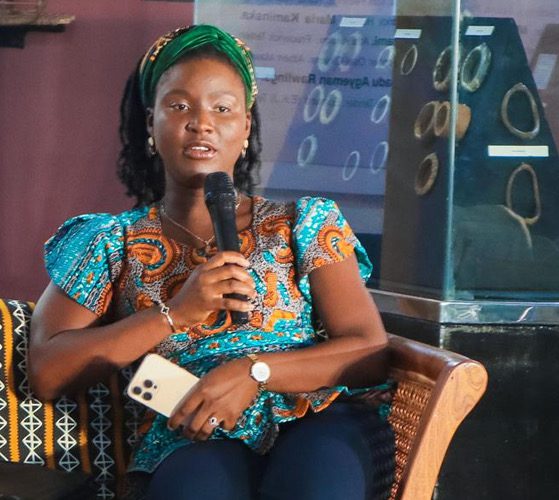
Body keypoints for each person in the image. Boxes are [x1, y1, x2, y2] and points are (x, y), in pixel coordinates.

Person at [28, 25, 394, 500]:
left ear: (245, 129)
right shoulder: (110, 241)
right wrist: (174, 314)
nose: (202, 123)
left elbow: (369, 350)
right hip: (194, 430)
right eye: (180, 106)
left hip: (315, 415)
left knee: (313, 487)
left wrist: (252, 372)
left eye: (222, 109)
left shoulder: (302, 223)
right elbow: (49, 371)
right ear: (150, 124)